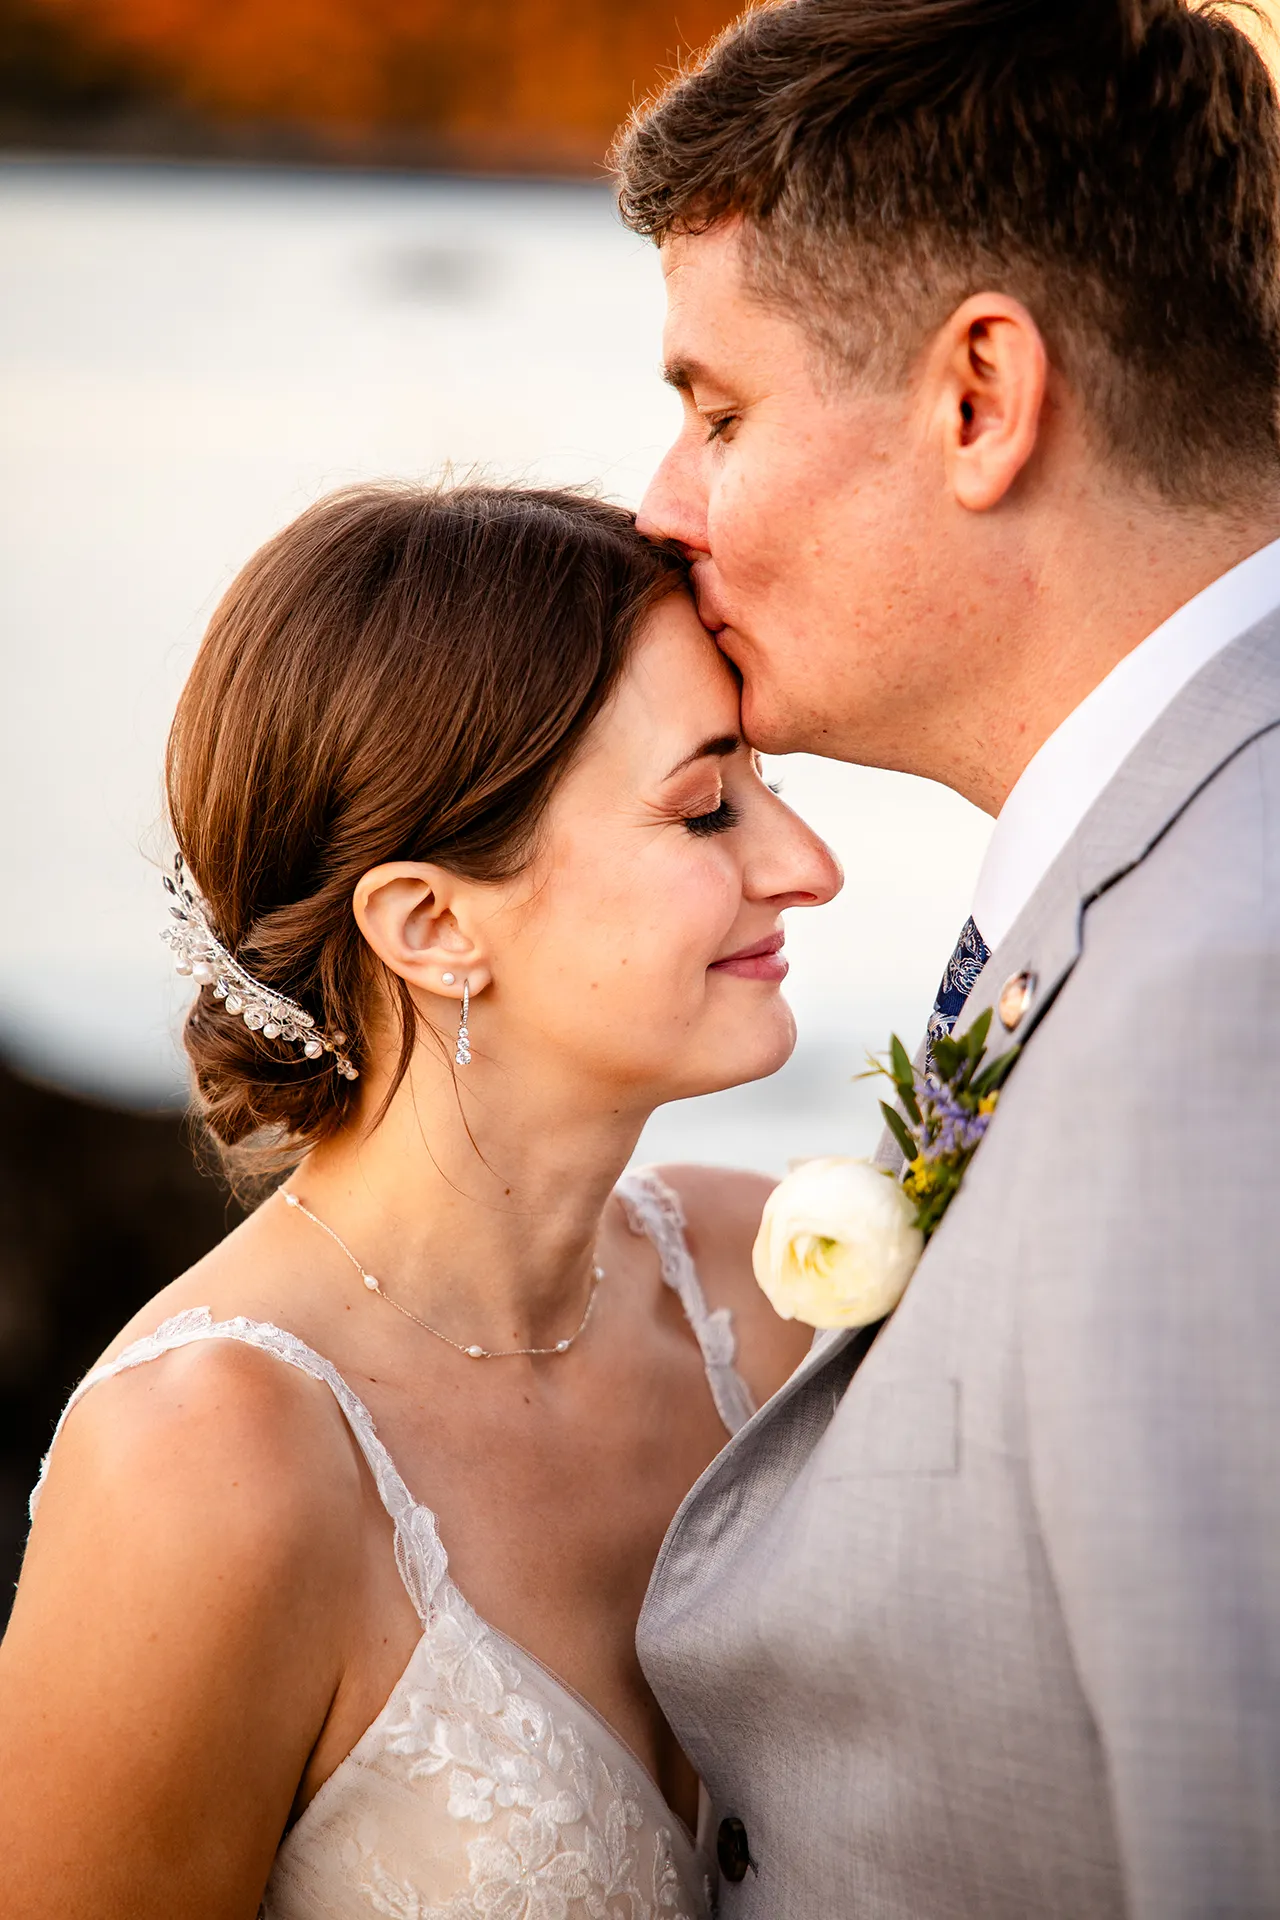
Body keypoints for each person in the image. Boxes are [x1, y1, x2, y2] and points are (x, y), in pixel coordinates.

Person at [615, 0, 1280, 1912]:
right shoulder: (1168, 877)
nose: (666, 503)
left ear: (980, 398)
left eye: (718, 410)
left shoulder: (1231, 995)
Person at [0, 483, 840, 1919]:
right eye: (706, 809)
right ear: (433, 924)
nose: (808, 865)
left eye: (766, 789)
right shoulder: (208, 1459)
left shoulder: (758, 1290)